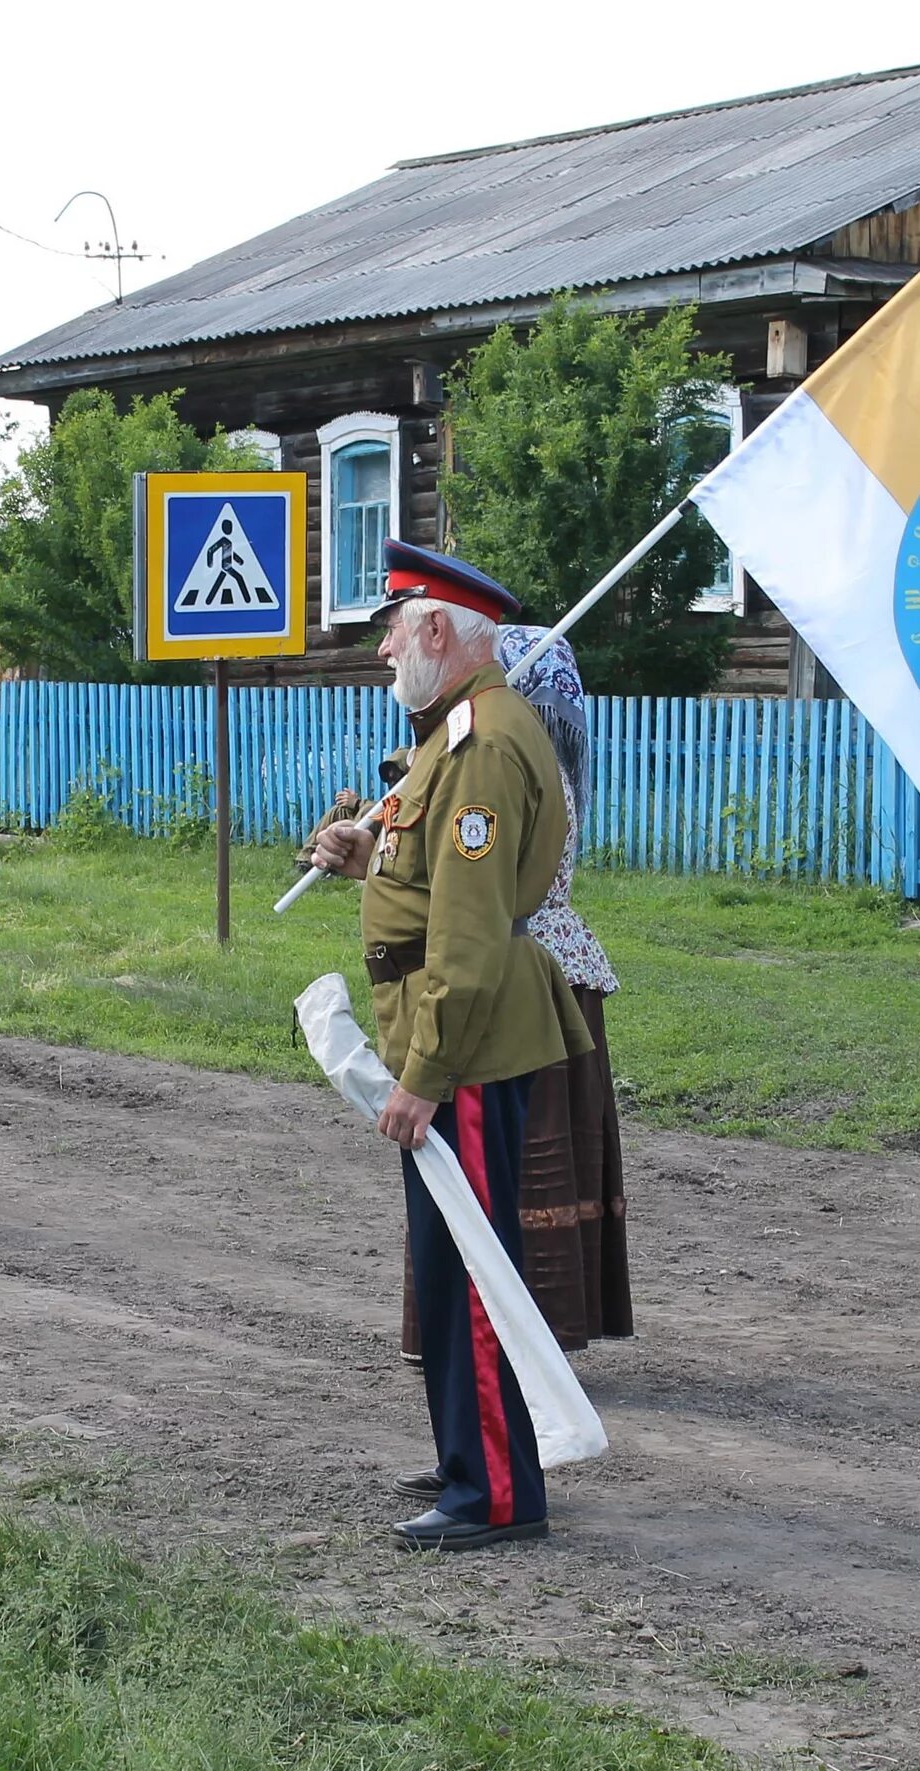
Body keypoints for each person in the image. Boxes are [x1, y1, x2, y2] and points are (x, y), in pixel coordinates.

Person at [302, 540, 591, 1552]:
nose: (383, 647)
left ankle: (497, 1491)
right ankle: (471, 1451)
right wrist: (366, 854)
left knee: (470, 1271)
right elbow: (429, 875)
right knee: (447, 1264)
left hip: (464, 1048)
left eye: (393, 627)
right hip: (455, 1038)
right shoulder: (455, 736)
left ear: (436, 631)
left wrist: (423, 1078)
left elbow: (467, 937)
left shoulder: (481, 746)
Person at [390, 624, 635, 1362]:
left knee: (514, 1172)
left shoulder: (507, 764)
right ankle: (489, 1346)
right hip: (533, 969)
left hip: (520, 977)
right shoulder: (516, 756)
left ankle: (509, 1350)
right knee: (501, 1171)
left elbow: (475, 899)